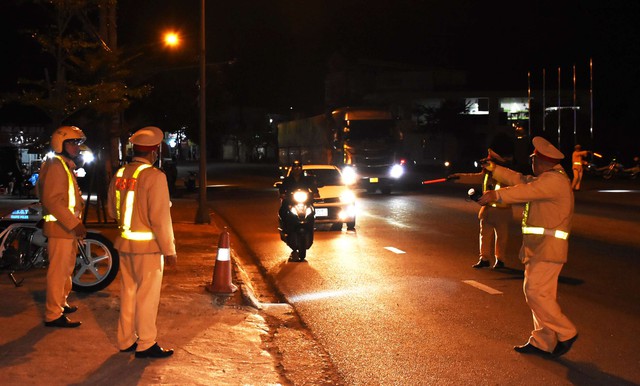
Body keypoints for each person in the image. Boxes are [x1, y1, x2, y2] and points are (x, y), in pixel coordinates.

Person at [477, 136, 578, 357]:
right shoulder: (548, 178)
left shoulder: (554, 181)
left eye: (533, 158)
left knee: (534, 293)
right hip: (540, 248)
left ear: (542, 161)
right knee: (540, 295)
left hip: (547, 249)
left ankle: (566, 332)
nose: (531, 161)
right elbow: (521, 180)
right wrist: (494, 169)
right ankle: (542, 340)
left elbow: (523, 191)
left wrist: (496, 194)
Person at [107, 126, 178, 359]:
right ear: (154, 151)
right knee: (147, 296)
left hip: (125, 243)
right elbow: (160, 217)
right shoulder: (154, 177)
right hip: (149, 248)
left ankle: (126, 340)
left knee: (128, 292)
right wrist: (169, 250)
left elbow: (111, 210)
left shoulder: (120, 174)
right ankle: (146, 343)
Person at [37, 126, 87, 328]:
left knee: (66, 269)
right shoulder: (57, 166)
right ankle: (53, 314)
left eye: (77, 143)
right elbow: (53, 200)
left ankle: (61, 303)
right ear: (60, 144)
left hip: (65, 228)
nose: (77, 147)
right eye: (72, 142)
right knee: (58, 272)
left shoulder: (63, 164)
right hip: (61, 228)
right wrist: (74, 224)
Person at [448, 149, 512, 269]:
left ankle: (500, 260)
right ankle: (484, 258)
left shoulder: (506, 175)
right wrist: (457, 177)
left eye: (489, 162)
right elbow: (472, 177)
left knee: (501, 238)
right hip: (487, 211)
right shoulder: (486, 175)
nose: (485, 164)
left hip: (502, 211)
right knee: (484, 235)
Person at [277, 160, 319, 259]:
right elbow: (282, 188)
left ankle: (310, 227)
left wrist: (315, 193)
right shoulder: (288, 180)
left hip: (305, 202)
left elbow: (313, 187)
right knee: (282, 210)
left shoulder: (307, 179)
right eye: (295, 168)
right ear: (292, 169)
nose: (297, 170)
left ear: (301, 168)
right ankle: (285, 228)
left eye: (299, 168)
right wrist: (283, 193)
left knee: (312, 211)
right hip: (291, 202)